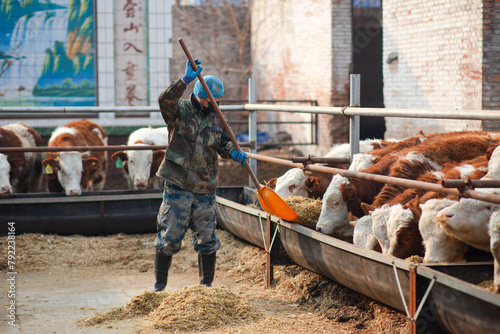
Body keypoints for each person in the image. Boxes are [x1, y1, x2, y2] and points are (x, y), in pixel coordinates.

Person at [152, 58, 247, 291]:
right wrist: (184, 80)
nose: (216, 104)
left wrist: (234, 152)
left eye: (219, 101)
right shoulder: (179, 111)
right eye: (212, 100)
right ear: (199, 95)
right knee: (169, 237)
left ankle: (206, 287)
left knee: (207, 239)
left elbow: (224, 142)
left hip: (205, 187)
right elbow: (164, 100)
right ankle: (159, 285)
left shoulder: (218, 118)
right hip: (178, 185)